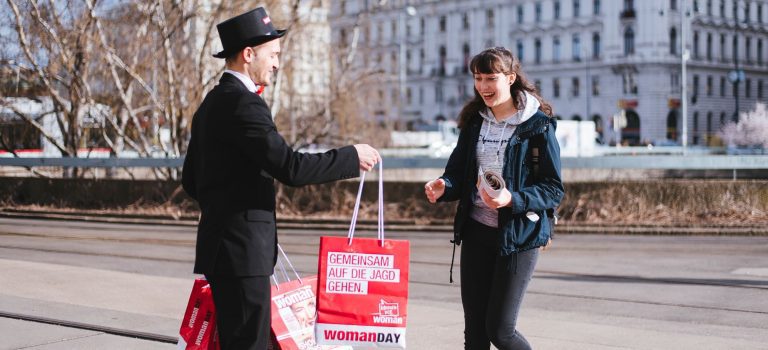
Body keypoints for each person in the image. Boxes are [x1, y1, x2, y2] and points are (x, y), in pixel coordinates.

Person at [181, 7, 380, 350]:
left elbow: (190, 180)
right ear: (248, 54)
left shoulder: (212, 103)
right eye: (272, 55)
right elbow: (290, 168)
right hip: (243, 252)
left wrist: (228, 205)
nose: (276, 63)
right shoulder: (244, 105)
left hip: (224, 249)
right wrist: (350, 156)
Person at [423, 47, 564, 350]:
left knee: (500, 331)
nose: (483, 86)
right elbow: (457, 173)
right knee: (475, 333)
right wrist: (443, 186)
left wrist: (511, 199)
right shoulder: (475, 122)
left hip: (518, 235)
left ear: (510, 78)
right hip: (475, 233)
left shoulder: (537, 125)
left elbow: (553, 189)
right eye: (478, 78)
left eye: (491, 78)